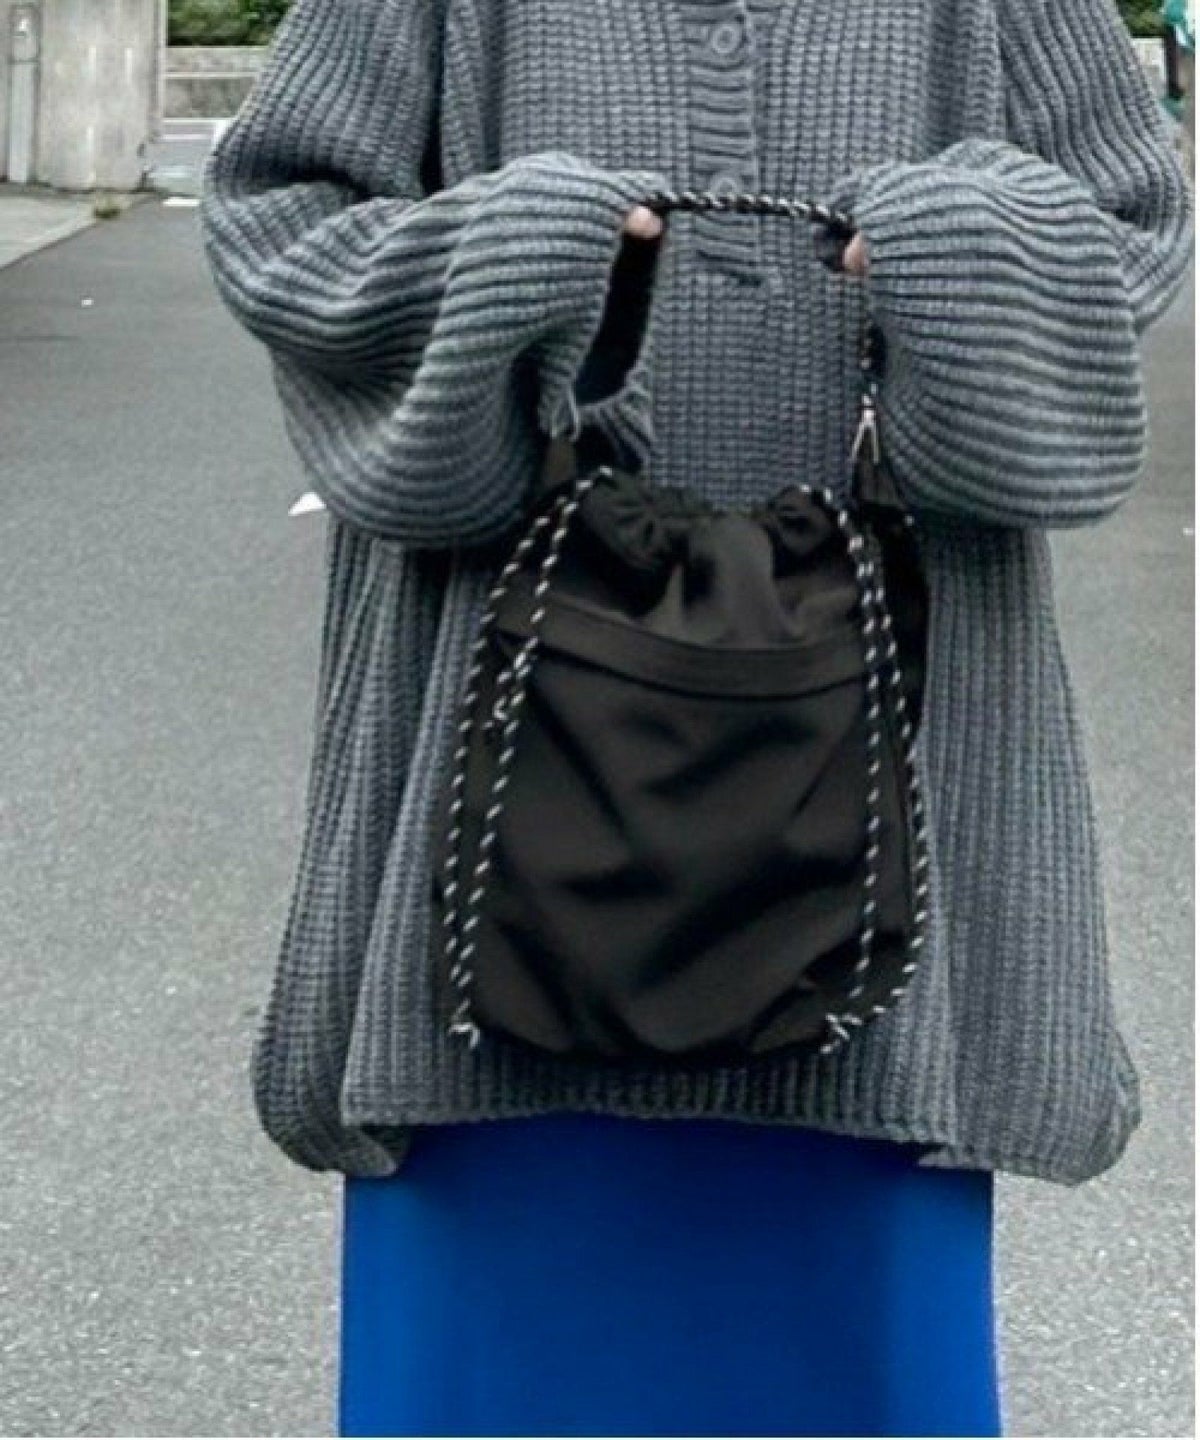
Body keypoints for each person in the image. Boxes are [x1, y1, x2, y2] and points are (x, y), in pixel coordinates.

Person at [197, 0, 1193, 1434]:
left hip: (890, 792)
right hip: (495, 802)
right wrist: (519, 253)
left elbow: (1129, 218)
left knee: (856, 1366)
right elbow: (278, 215)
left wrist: (958, 252)